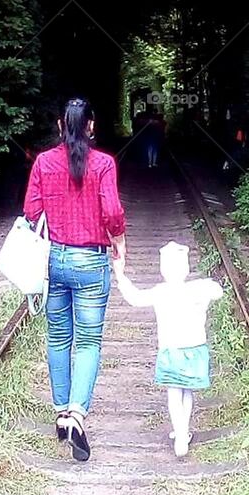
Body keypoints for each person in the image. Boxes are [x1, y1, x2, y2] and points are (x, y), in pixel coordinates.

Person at [23, 98, 126, 462]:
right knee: (88, 342)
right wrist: (119, 242)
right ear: (92, 127)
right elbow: (112, 212)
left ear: (60, 125)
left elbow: (31, 211)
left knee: (57, 338)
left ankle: (61, 413)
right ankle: (78, 414)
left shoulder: (43, 162)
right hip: (90, 261)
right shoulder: (104, 165)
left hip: (53, 260)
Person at [113, 241, 222, 457]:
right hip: (194, 350)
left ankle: (180, 435)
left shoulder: (160, 291)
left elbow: (135, 298)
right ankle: (185, 431)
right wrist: (206, 283)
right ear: (187, 269)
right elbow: (218, 291)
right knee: (187, 391)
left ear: (163, 270)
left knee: (173, 393)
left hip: (171, 351)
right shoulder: (197, 290)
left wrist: (121, 278)